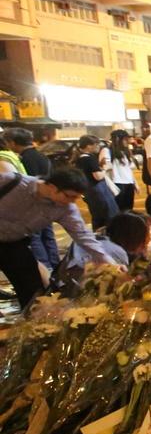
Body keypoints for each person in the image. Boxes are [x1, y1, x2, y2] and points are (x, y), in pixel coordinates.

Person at [0, 168, 121, 308]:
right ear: (52, 187)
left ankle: (29, 318)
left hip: (14, 243)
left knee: (32, 291)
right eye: (69, 196)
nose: (72, 201)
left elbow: (83, 235)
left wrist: (108, 261)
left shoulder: (66, 208)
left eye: (76, 198)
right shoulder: (12, 181)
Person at [9, 127, 59, 271]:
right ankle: (55, 267)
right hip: (49, 202)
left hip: (34, 204)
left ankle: (45, 268)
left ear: (13, 142)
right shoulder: (42, 156)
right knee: (48, 235)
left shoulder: (23, 159)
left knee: (35, 238)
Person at [75, 134, 119, 230]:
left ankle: (98, 236)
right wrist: (105, 168)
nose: (99, 147)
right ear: (89, 146)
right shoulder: (89, 158)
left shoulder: (79, 159)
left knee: (97, 217)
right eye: (97, 144)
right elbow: (98, 176)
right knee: (108, 216)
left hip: (90, 192)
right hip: (99, 192)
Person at [101, 129, 138, 213]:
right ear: (117, 139)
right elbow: (105, 168)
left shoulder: (126, 152)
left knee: (128, 209)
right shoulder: (107, 151)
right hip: (117, 183)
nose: (127, 142)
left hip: (128, 183)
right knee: (118, 209)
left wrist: (135, 183)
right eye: (125, 139)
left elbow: (129, 170)